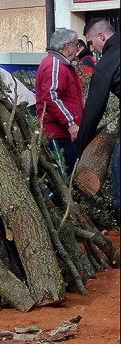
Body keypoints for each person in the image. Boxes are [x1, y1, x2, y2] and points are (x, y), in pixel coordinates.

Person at [76, 18, 120, 211]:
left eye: (91, 42)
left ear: (102, 36)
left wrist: (81, 147)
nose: (91, 49)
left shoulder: (107, 63)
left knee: (118, 167)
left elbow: (94, 110)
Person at [35, 27, 83, 175]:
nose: (78, 49)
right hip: (57, 133)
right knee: (67, 178)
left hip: (63, 133)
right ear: (67, 46)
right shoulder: (54, 64)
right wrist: (70, 123)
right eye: (76, 45)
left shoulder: (61, 64)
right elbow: (51, 96)